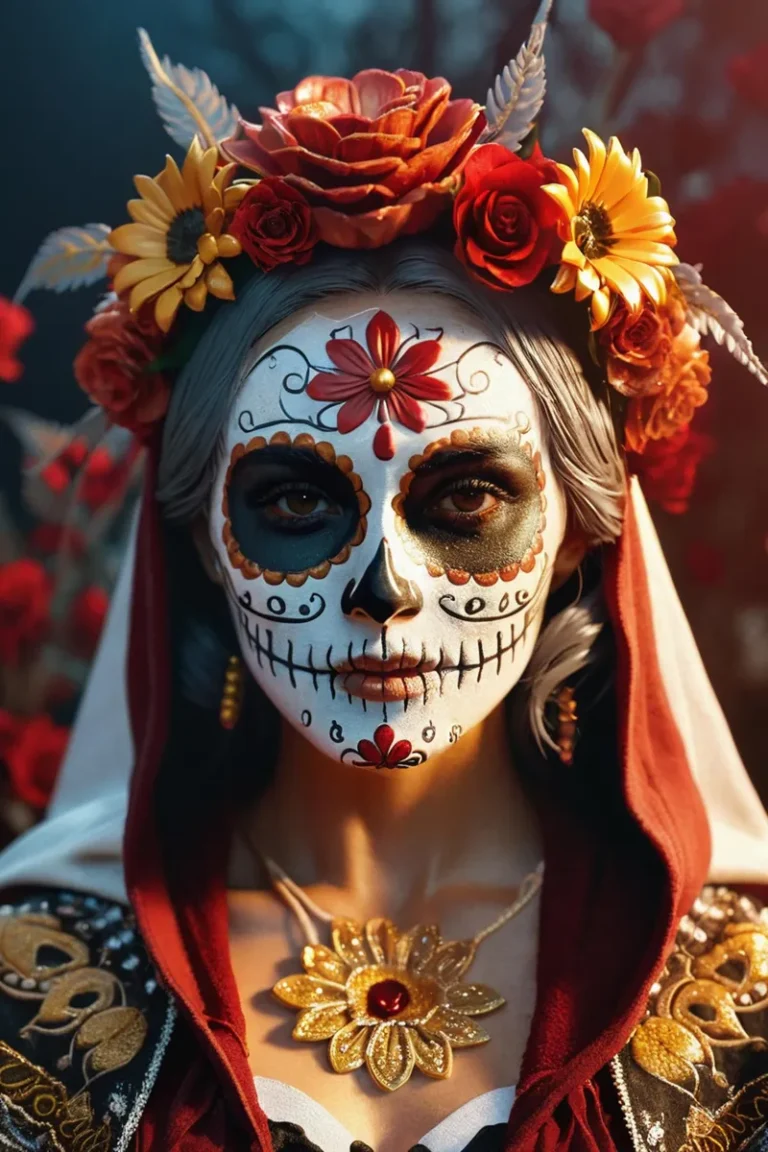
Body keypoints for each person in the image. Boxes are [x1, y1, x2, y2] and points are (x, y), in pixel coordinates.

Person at [2, 13, 768, 1152]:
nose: (383, 589)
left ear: (576, 531)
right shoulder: (31, 987)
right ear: (207, 535)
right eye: (297, 503)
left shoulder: (740, 1002)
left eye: (465, 499)